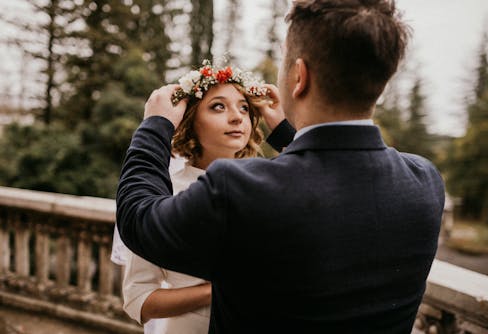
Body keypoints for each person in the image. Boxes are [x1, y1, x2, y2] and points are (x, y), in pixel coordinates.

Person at [116, 1, 445, 333]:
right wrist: (289, 134)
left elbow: (138, 219)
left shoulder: (242, 190)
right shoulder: (425, 183)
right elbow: (326, 177)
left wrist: (155, 126)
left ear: (299, 76)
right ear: (381, 81)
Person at [111, 60, 267, 333]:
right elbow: (139, 299)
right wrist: (216, 291)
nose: (237, 117)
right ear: (189, 120)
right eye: (218, 106)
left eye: (244, 107)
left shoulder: (268, 185)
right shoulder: (164, 193)